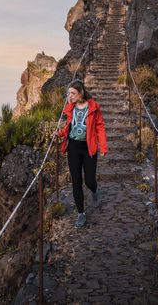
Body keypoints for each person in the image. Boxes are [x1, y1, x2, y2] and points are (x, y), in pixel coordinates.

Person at [58, 79, 108, 228]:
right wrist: (60, 134)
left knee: (89, 181)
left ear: (81, 93)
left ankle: (94, 189)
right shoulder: (70, 108)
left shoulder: (93, 107)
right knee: (76, 181)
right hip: (73, 147)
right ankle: (81, 214)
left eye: (73, 93)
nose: (70, 96)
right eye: (68, 93)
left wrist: (103, 147)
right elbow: (69, 126)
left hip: (89, 148)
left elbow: (100, 126)